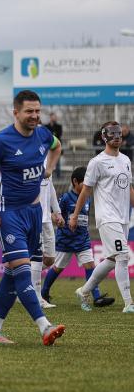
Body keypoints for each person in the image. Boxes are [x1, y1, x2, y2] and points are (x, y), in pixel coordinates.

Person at [0, 90, 65, 346]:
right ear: (16, 112)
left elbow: (57, 146)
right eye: (29, 111)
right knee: (24, 271)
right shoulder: (1, 140)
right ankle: (44, 326)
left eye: (38, 111)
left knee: (13, 274)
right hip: (8, 214)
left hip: (34, 213)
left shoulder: (44, 134)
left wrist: (49, 169)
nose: (35, 116)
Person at [71, 121, 133, 313]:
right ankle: (129, 303)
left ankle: (84, 290)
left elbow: (129, 188)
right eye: (112, 134)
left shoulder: (126, 160)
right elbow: (85, 191)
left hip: (123, 217)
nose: (117, 137)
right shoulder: (97, 162)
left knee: (112, 259)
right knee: (123, 256)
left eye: (119, 134)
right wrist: (74, 215)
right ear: (104, 137)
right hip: (107, 217)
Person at [41, 167, 113, 307]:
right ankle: (44, 293)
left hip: (82, 240)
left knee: (90, 265)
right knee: (58, 268)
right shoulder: (66, 198)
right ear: (75, 182)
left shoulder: (87, 198)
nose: (87, 186)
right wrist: (58, 219)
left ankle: (96, 297)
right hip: (66, 241)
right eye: (84, 183)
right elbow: (53, 213)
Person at [36, 158, 64, 309]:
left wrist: (57, 211)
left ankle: (20, 280)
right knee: (36, 258)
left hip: (46, 218)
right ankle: (36, 297)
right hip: (33, 217)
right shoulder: (29, 156)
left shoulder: (48, 159)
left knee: (49, 259)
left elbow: (50, 187)